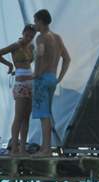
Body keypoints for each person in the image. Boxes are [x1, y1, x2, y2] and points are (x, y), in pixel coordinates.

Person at [31, 9, 70, 155]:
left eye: (35, 21)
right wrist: (60, 77)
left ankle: (46, 148)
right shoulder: (57, 38)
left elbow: (40, 53)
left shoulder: (41, 37)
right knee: (47, 111)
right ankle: (45, 147)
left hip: (42, 79)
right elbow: (67, 58)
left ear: (41, 21)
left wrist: (36, 73)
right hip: (52, 78)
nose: (34, 24)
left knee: (44, 114)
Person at [0, 24, 37, 155]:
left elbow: (31, 62)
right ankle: (14, 148)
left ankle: (22, 147)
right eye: (27, 35)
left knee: (26, 117)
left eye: (31, 36)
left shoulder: (31, 47)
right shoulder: (16, 45)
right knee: (18, 116)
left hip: (30, 83)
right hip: (20, 84)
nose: (28, 38)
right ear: (23, 33)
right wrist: (9, 65)